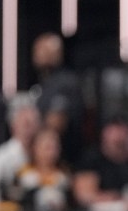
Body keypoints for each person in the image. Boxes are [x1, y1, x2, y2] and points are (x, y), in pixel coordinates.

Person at [72, 116, 128, 211]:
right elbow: (84, 196)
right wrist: (116, 198)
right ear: (105, 133)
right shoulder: (91, 160)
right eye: (115, 131)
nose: (120, 136)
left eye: (123, 131)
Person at [29, 32, 86, 165]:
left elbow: (55, 125)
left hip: (63, 159)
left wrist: (30, 135)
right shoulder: (45, 83)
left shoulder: (65, 82)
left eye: (42, 49)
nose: (37, 54)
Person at [0, 93, 41, 191]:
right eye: (26, 123)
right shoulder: (2, 157)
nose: (30, 129)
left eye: (34, 123)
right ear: (13, 125)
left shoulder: (43, 153)